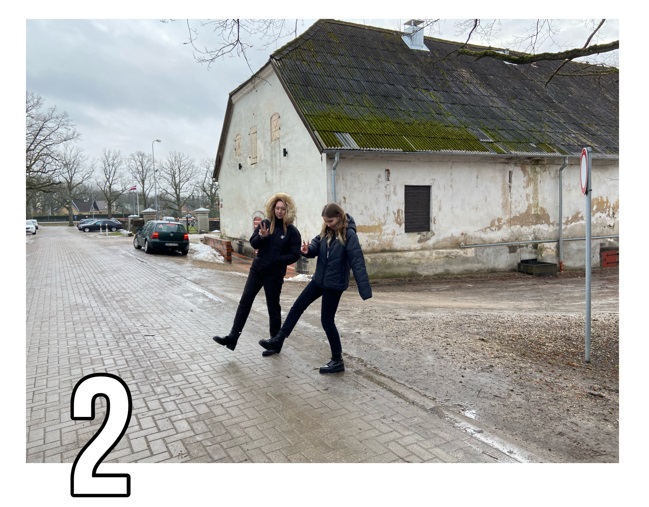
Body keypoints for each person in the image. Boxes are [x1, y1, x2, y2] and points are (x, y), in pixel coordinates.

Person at [259, 203, 372, 374]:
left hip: (334, 284)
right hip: (319, 280)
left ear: (339, 217)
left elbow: (357, 262)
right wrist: (307, 250)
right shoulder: (326, 231)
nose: (328, 224)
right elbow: (315, 246)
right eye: (325, 221)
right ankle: (278, 340)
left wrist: (365, 290)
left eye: (330, 221)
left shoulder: (349, 235)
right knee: (298, 306)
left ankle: (337, 360)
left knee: (327, 321)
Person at [212, 193, 301, 351]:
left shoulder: (292, 232)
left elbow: (295, 255)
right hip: (257, 270)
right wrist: (262, 237)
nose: (280, 211)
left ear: (288, 211)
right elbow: (253, 243)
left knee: (273, 307)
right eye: (277, 208)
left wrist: (277, 259)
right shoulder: (265, 224)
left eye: (283, 209)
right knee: (245, 302)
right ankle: (233, 337)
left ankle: (275, 343)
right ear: (273, 208)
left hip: (274, 274)